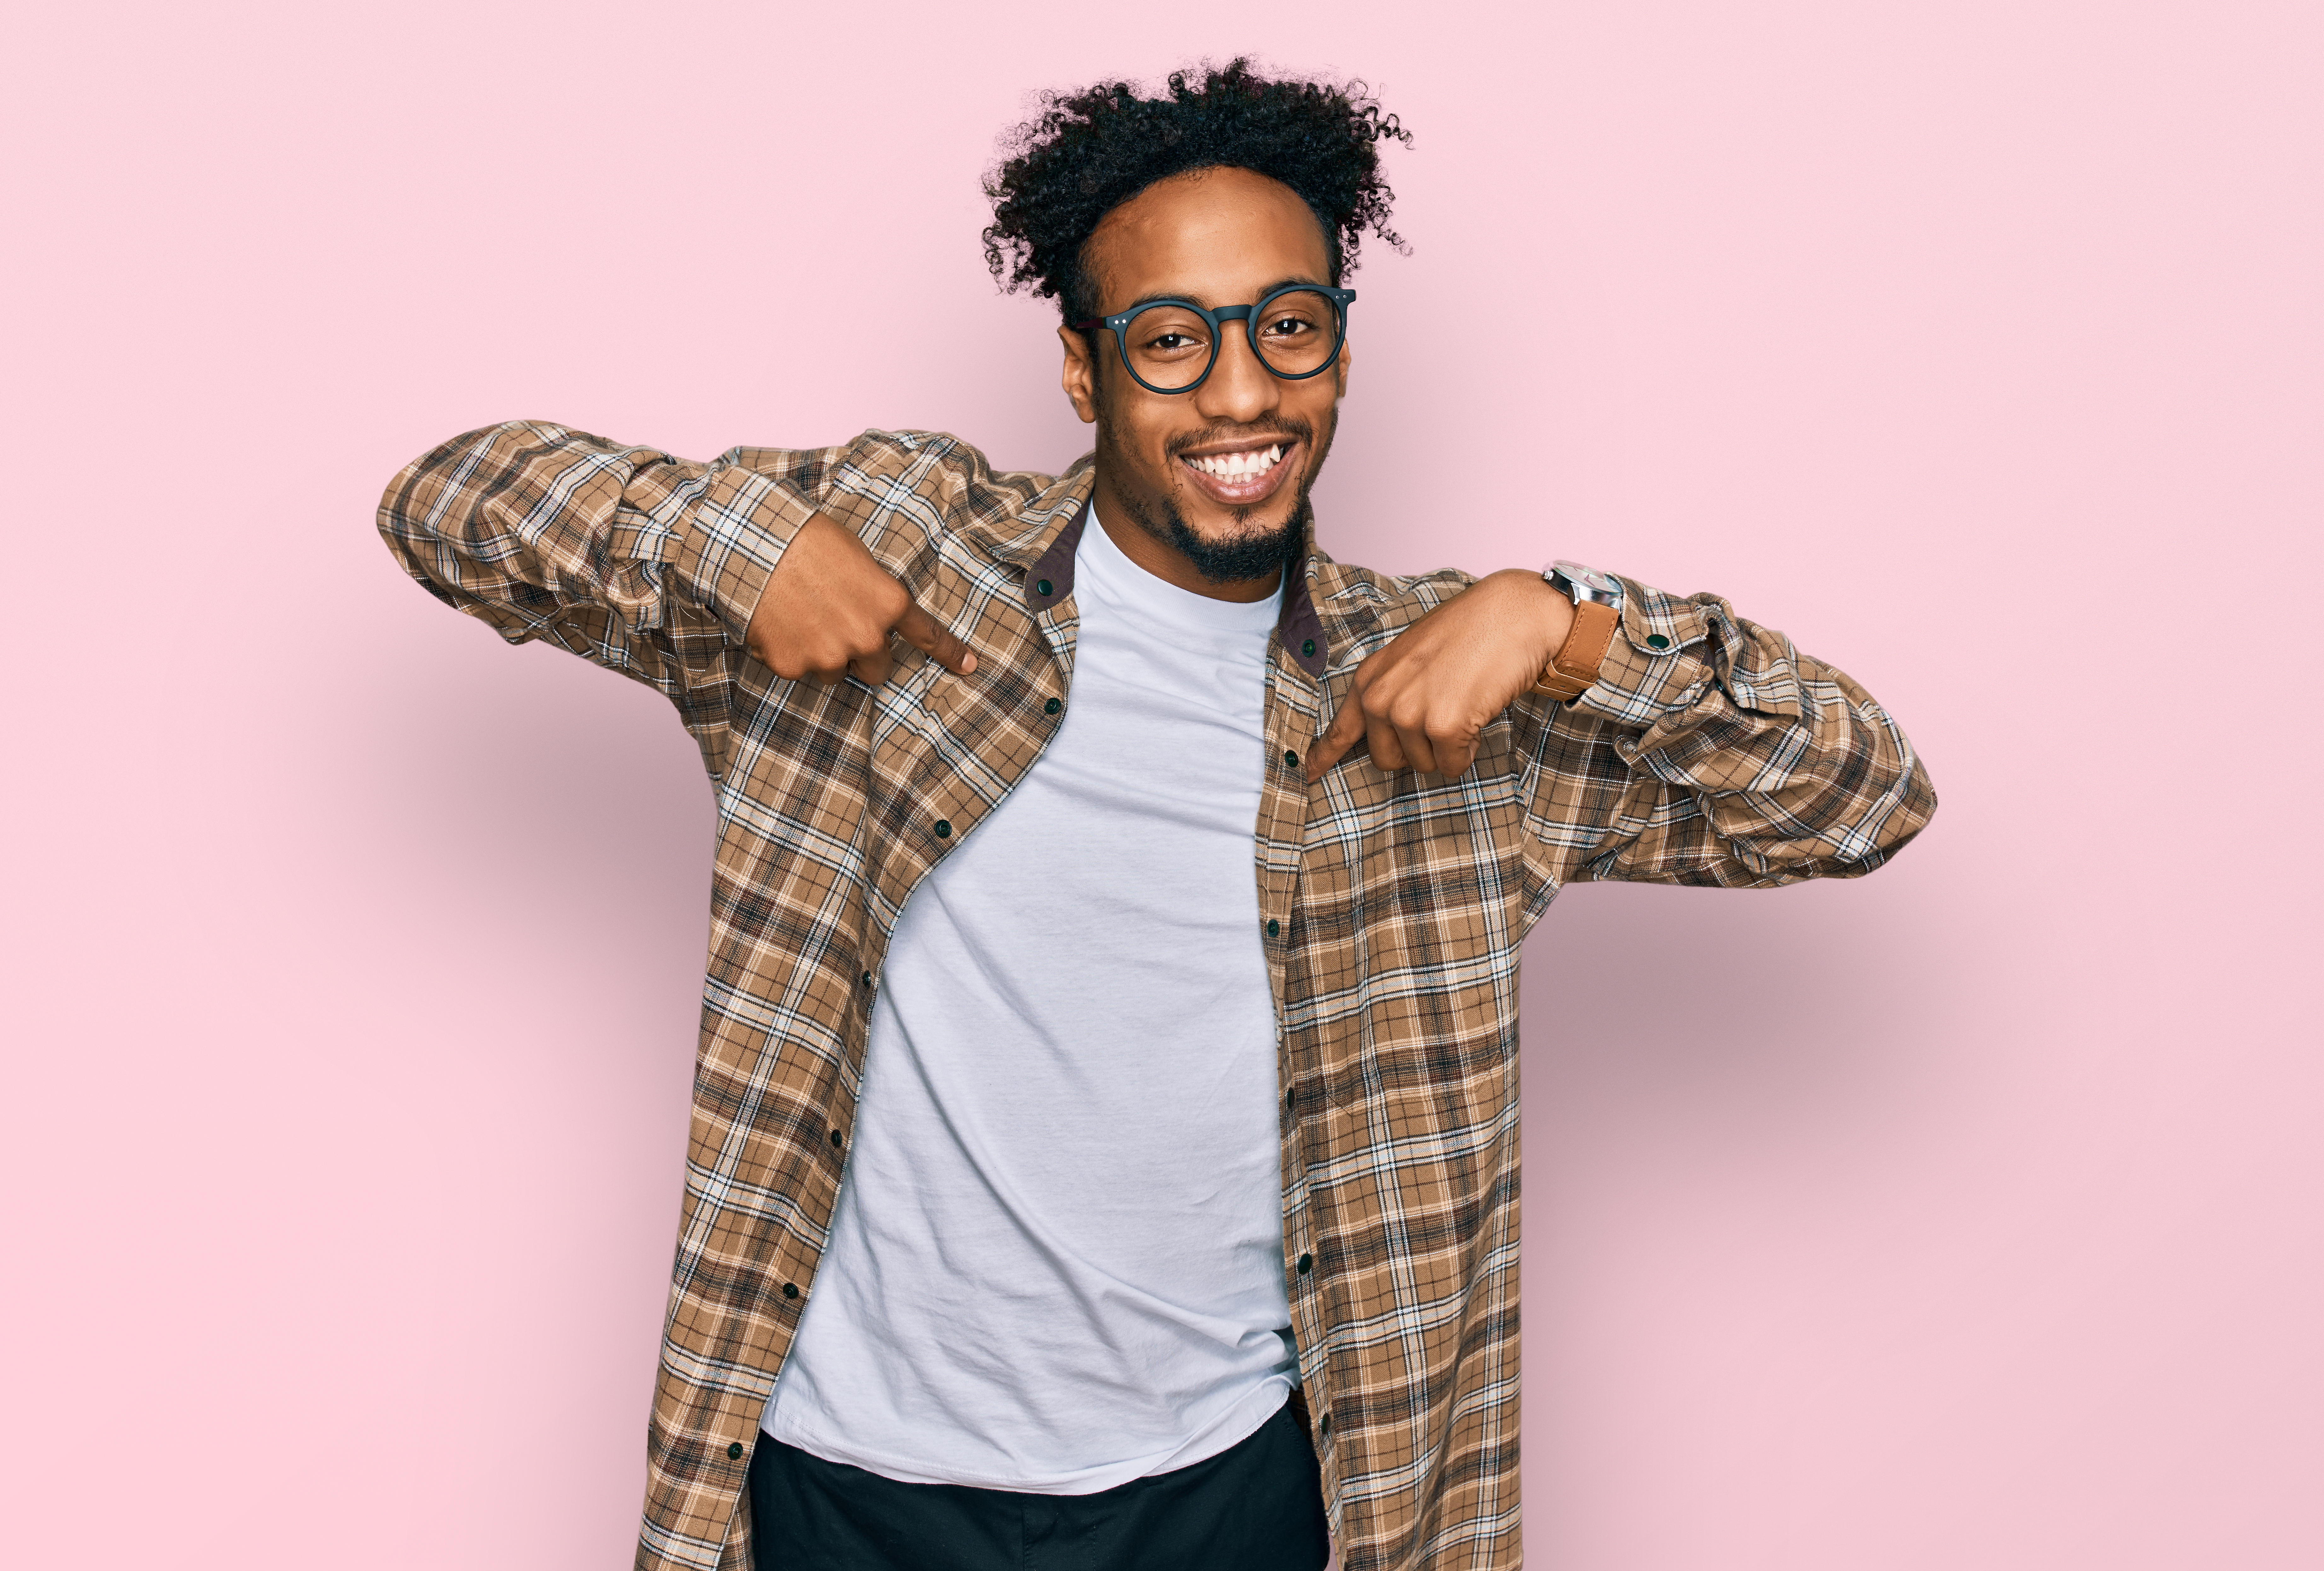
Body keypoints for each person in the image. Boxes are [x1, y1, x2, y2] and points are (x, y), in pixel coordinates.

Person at [378, 60, 1935, 1571]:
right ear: (1082, 367)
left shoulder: (1447, 695)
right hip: (846, 1480)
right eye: (1171, 340)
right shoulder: (912, 552)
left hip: (1234, 1488)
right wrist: (738, 544)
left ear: (1338, 346)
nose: (1241, 391)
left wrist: (1564, 624)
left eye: (1285, 326)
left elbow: (1858, 791)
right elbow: (448, 503)